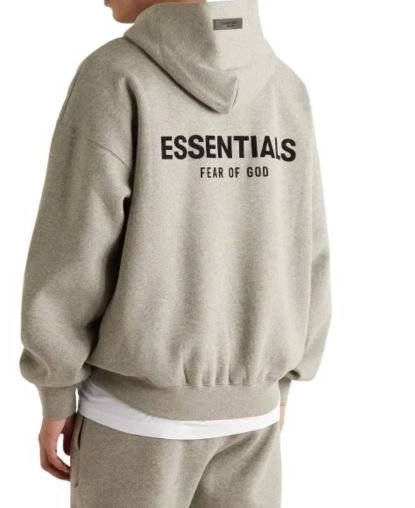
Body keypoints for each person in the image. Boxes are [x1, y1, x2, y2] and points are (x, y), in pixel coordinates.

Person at [18, 0, 332, 506]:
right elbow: (308, 247)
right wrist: (277, 384)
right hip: (254, 418)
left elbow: (74, 247)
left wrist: (55, 386)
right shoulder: (286, 88)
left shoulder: (114, 76)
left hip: (136, 419)